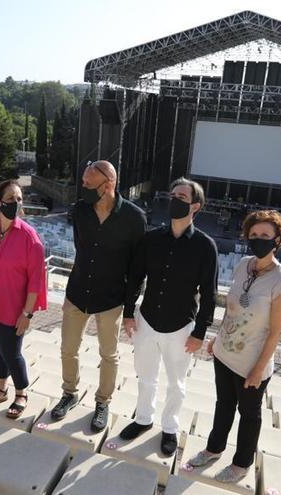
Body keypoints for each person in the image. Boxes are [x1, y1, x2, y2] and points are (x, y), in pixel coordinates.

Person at [187, 209, 281, 483]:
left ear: (278, 240)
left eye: (265, 236)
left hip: (251, 363)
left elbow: (275, 333)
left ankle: (241, 463)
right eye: (254, 234)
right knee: (223, 404)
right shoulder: (242, 264)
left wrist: (259, 369)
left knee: (248, 415)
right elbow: (231, 310)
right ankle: (214, 448)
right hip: (225, 353)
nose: (258, 239)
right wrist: (217, 338)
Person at [121, 177, 218, 456]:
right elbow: (136, 278)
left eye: (182, 197)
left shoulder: (205, 245)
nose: (174, 200)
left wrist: (200, 331)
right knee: (145, 376)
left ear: (195, 206)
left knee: (177, 383)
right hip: (147, 321)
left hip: (181, 327)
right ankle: (142, 419)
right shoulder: (151, 239)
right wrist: (129, 313)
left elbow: (210, 294)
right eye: (172, 194)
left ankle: (170, 428)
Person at [51, 160, 146, 432]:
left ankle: (103, 402)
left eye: (88, 183)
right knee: (68, 349)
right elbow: (82, 250)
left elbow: (137, 269)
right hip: (78, 293)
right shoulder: (80, 211)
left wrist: (129, 309)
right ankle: (69, 393)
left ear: (108, 185)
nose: (82, 187)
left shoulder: (134, 217)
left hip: (111, 298)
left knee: (109, 354)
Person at [0, 180, 47, 419]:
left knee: (11, 352)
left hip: (13, 307)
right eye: (11, 199)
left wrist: (27, 314)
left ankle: (21, 392)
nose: (16, 203)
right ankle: (1, 388)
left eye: (19, 199)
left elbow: (36, 280)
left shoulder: (29, 237)